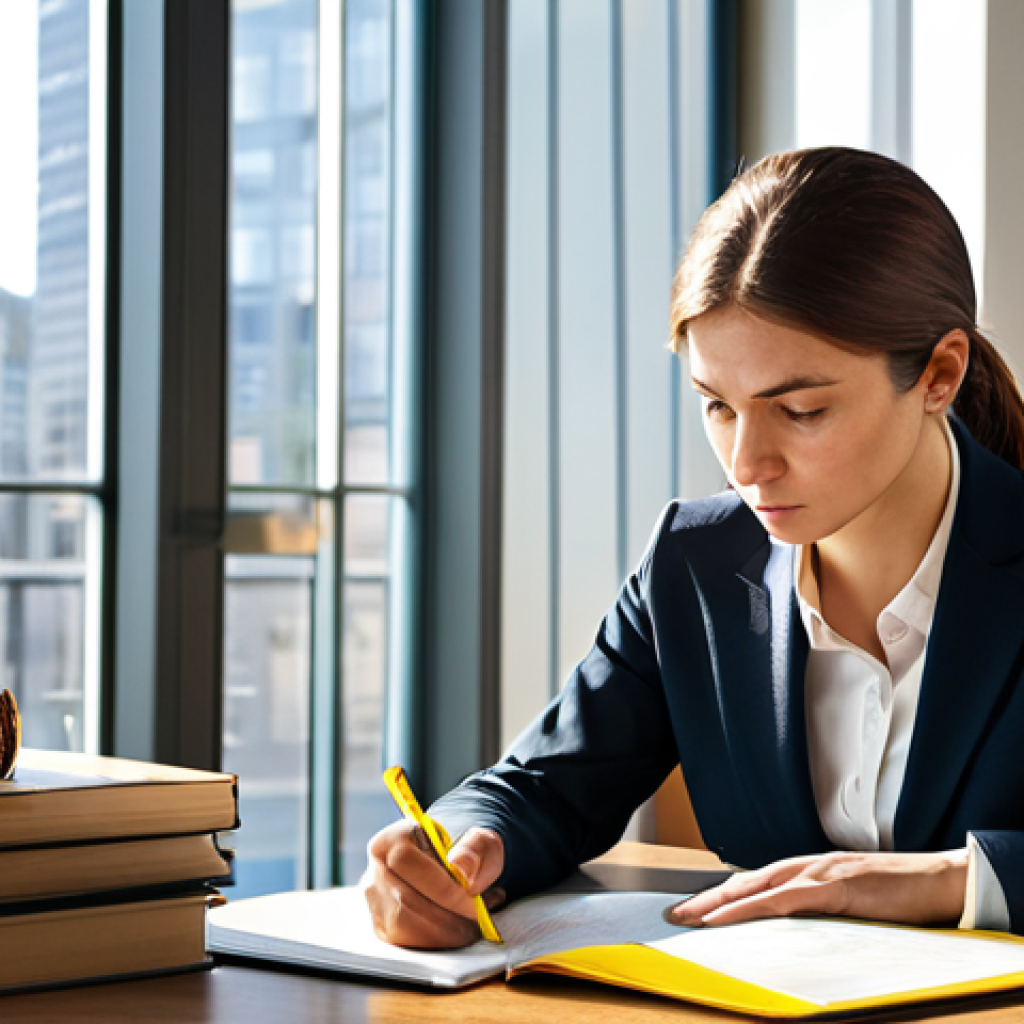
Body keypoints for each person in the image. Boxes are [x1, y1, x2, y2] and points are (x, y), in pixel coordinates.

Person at [363, 147, 1024, 949]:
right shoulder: (696, 565)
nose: (747, 465)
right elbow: (542, 786)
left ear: (939, 374)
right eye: (717, 406)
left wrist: (951, 881)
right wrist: (457, 847)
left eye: (802, 410)